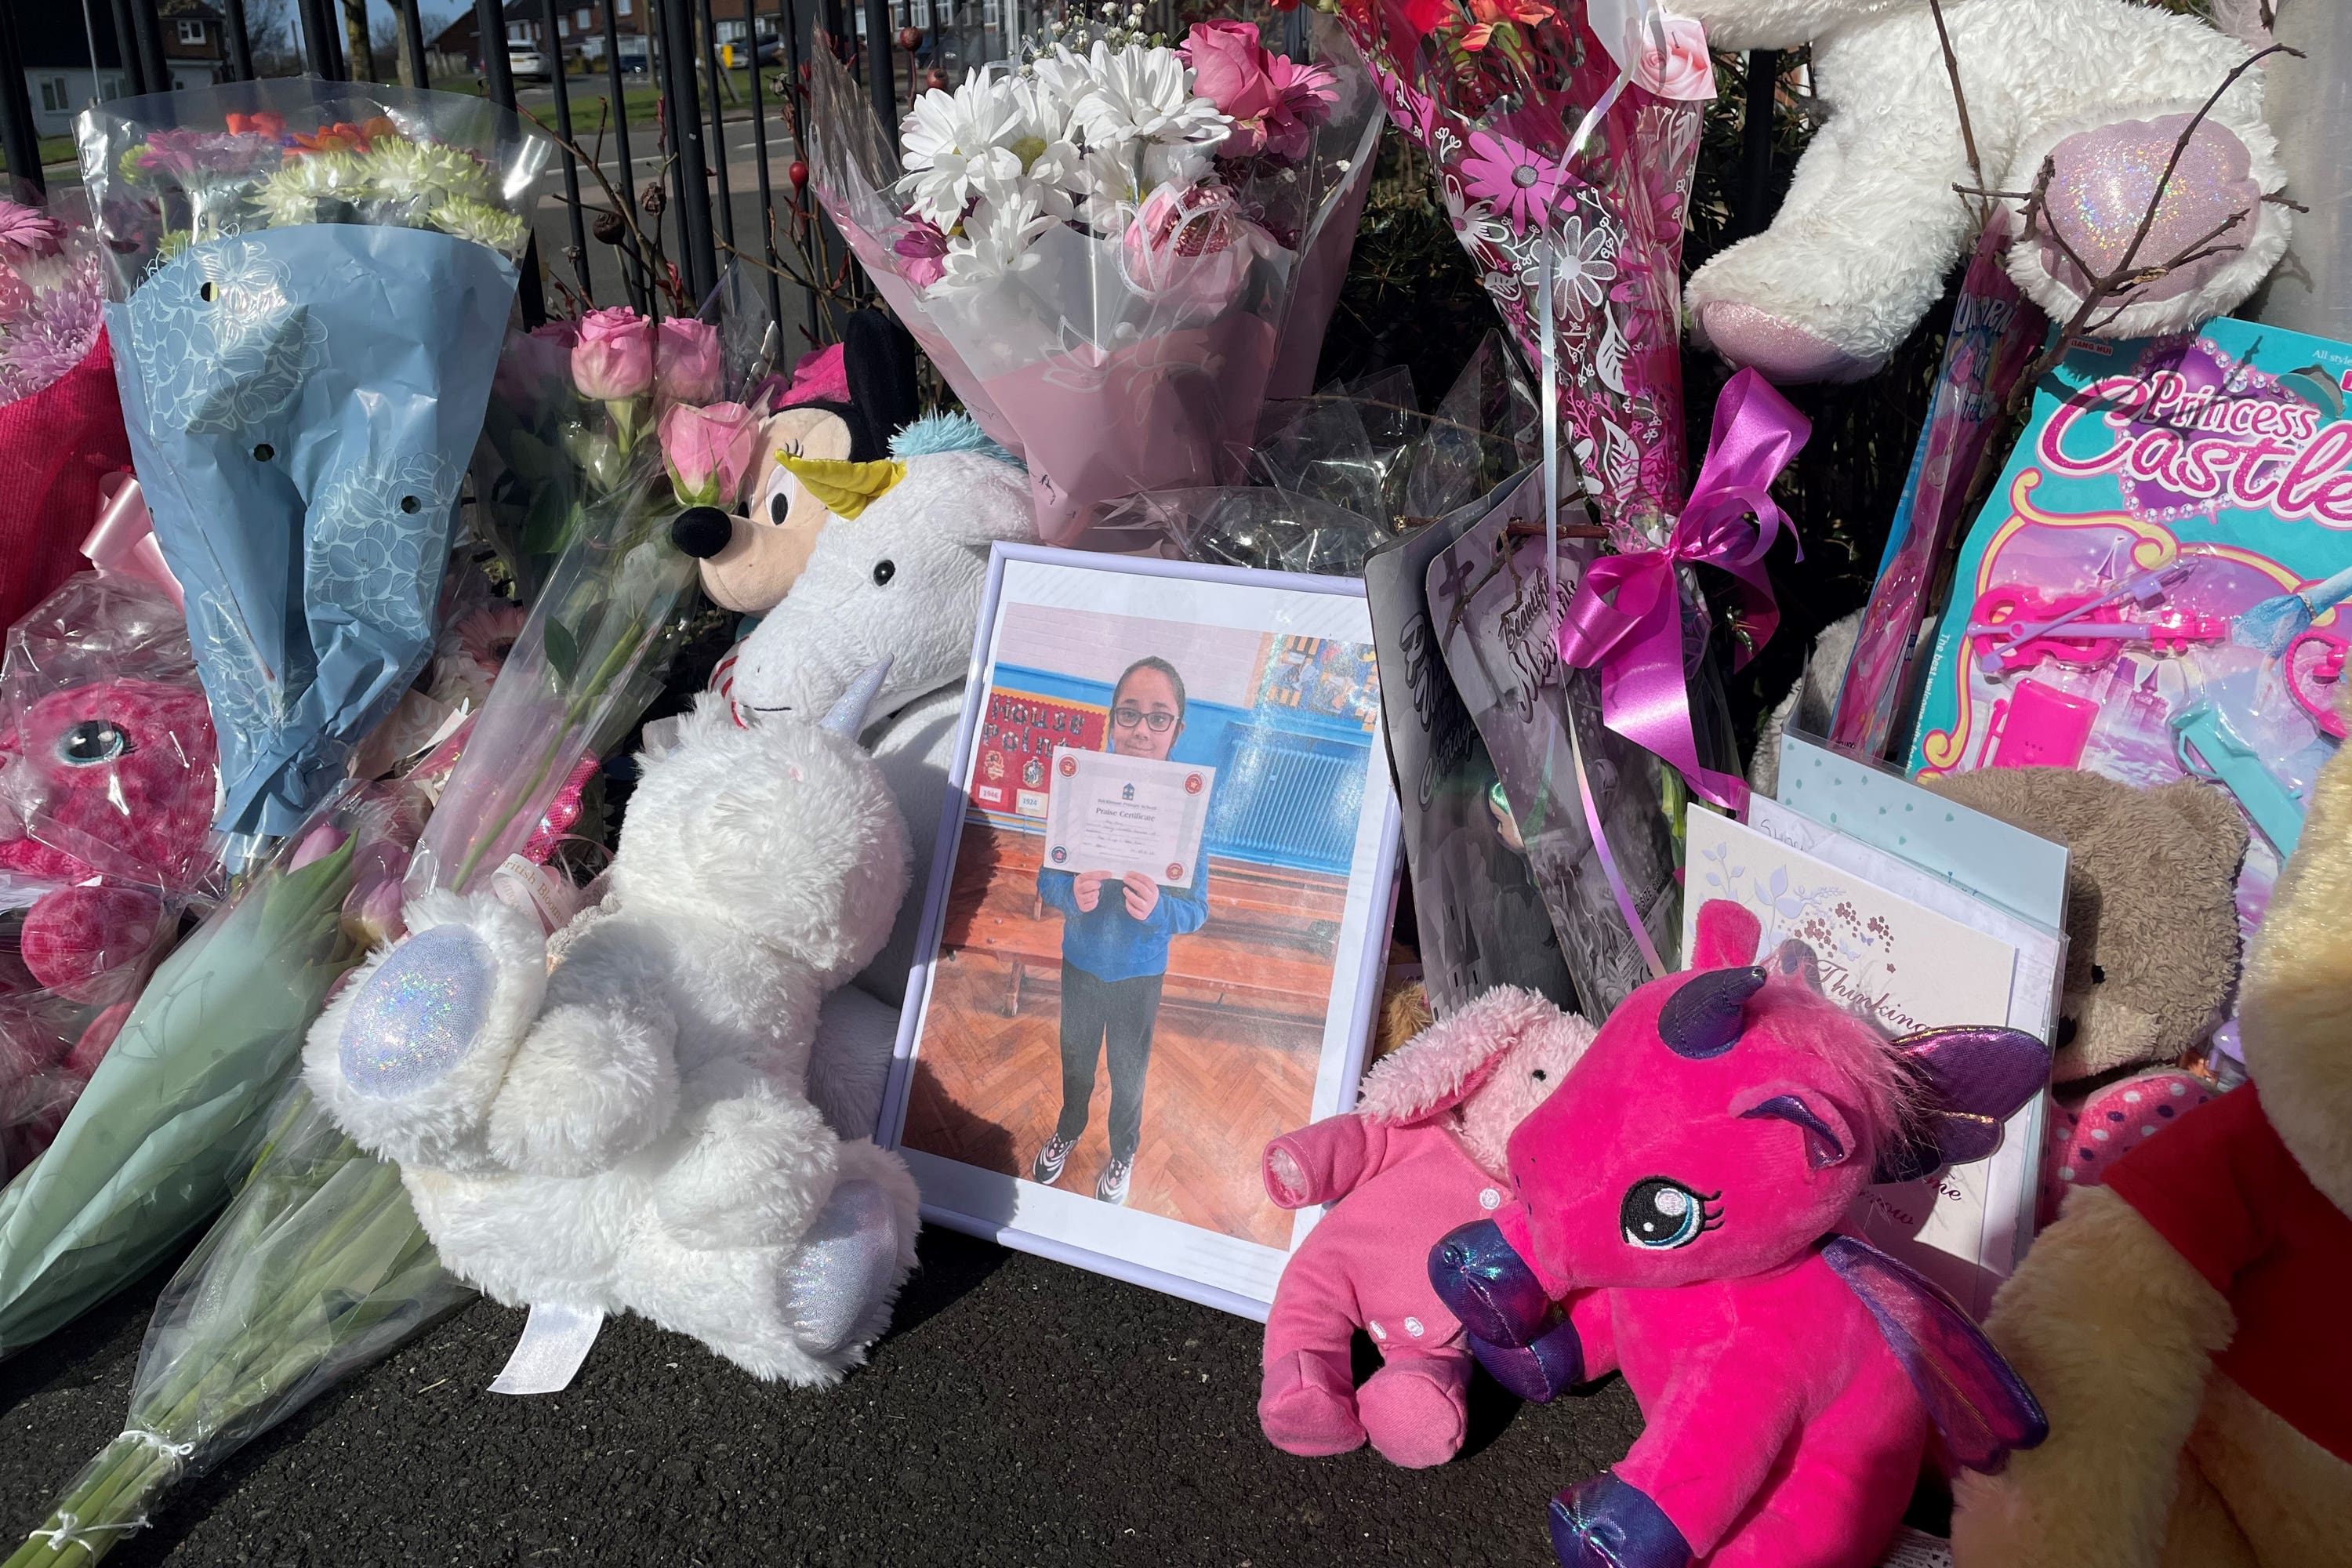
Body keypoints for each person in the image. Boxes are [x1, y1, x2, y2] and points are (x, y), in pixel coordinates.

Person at [1030, 655, 1210, 1205]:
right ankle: (1069, 1127)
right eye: (1129, 714)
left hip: (1139, 972)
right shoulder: (1081, 787)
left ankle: (1123, 1151)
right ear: (1111, 719)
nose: (1140, 730)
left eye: (1159, 718)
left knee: (1129, 1074)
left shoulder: (1189, 808)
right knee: (1077, 1059)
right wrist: (1070, 894)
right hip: (1081, 962)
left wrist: (1159, 909)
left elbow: (1196, 909)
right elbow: (1047, 877)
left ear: (1178, 729)